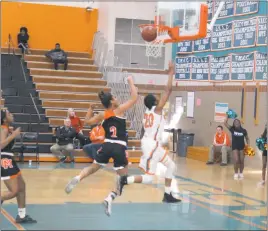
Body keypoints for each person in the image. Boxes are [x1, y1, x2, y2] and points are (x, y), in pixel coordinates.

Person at [64, 76, 138, 217]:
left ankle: (78, 178)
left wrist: (90, 109)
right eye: (115, 97)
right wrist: (130, 82)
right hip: (119, 147)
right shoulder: (119, 110)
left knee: (93, 168)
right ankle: (110, 197)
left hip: (106, 145)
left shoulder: (102, 115)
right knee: (122, 179)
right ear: (111, 101)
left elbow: (86, 121)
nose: (117, 99)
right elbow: (134, 98)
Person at [120, 61, 181, 203]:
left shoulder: (148, 112)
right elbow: (168, 91)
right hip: (152, 145)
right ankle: (125, 180)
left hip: (153, 144)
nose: (159, 99)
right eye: (156, 98)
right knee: (148, 178)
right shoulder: (156, 110)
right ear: (154, 102)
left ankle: (167, 194)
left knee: (172, 166)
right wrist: (170, 73)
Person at [1, 109, 36, 223]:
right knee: (14, 191)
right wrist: (14, 135)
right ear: (4, 119)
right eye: (9, 114)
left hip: (9, 158)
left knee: (22, 187)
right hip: (4, 160)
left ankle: (22, 216)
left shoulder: (6, 128)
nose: (12, 114)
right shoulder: (3, 128)